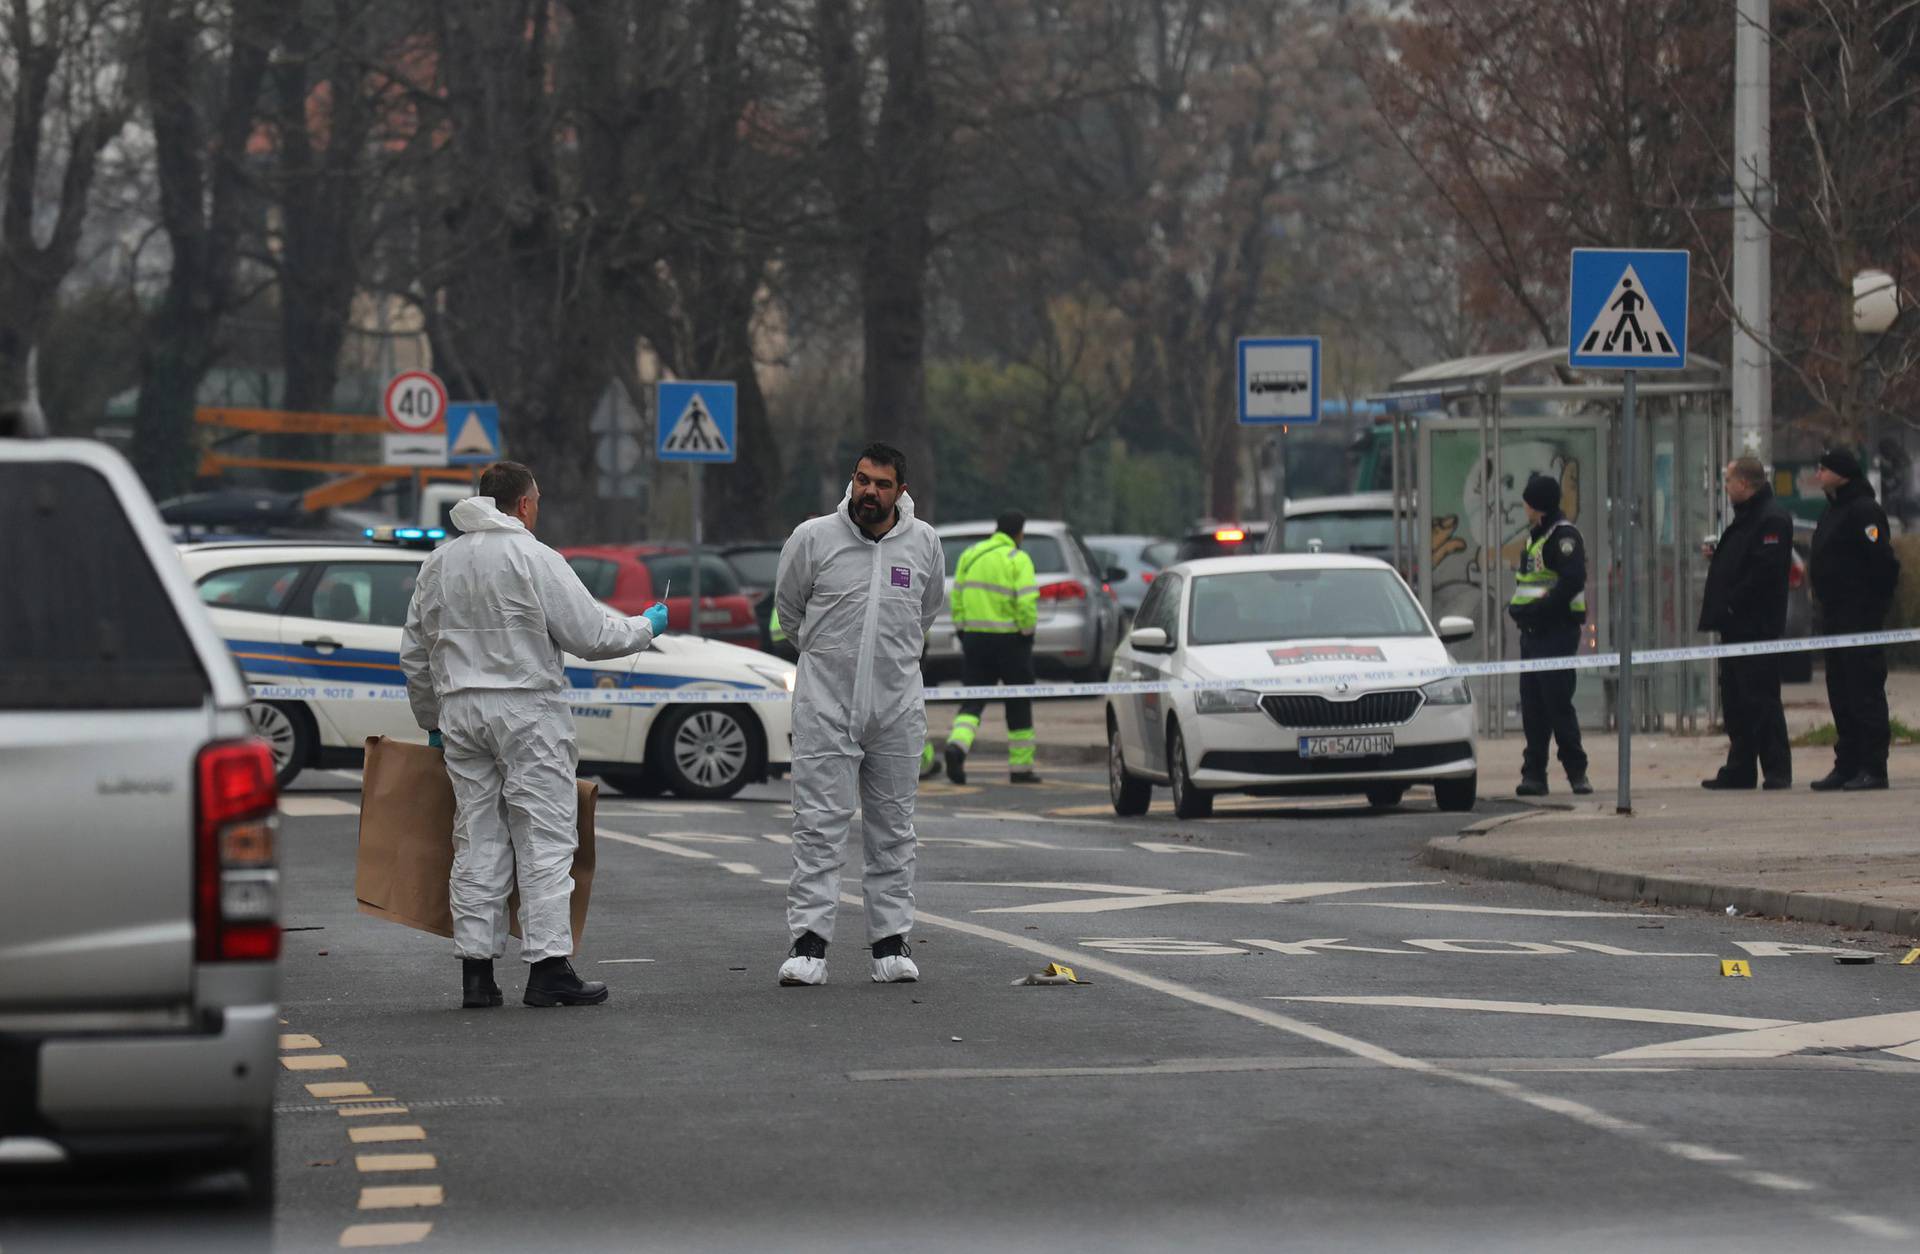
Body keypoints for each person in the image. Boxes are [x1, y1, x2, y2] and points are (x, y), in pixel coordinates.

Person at [400, 461, 669, 1009]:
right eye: (537, 500)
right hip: (526, 712)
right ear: (523, 504)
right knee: (544, 838)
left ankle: (477, 974)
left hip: (460, 714)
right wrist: (648, 625)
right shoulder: (534, 557)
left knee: (476, 837)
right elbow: (590, 635)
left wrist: (431, 720)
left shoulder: (439, 563)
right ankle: (549, 969)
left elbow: (415, 651)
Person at [773, 443, 944, 986]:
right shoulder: (814, 538)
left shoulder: (925, 544)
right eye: (863, 480)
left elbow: (926, 612)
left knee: (893, 831)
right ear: (852, 481)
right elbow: (789, 612)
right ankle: (809, 948)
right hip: (825, 709)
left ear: (901, 491)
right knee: (818, 831)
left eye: (882, 484)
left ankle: (890, 945)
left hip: (895, 711)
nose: (870, 492)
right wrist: (828, 663)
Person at [1807, 446, 1901, 791]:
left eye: (1824, 468)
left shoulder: (1864, 511)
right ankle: (1847, 763)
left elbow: (1882, 564)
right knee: (1841, 691)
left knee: (1864, 692)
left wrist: (1872, 607)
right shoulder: (1832, 511)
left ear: (1842, 472)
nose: (1818, 473)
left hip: (1858, 619)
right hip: (1833, 619)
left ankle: (1873, 767)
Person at [1697, 457, 1793, 790]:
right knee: (1736, 702)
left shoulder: (1771, 520)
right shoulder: (1746, 519)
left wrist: (1733, 603)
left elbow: (1763, 573)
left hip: (1756, 627)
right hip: (1735, 627)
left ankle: (1777, 770)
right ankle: (1740, 767)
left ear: (1744, 484)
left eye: (1728, 480)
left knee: (1761, 699)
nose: (1725, 486)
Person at [935, 510, 1042, 785]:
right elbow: (1027, 603)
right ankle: (1021, 768)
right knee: (1018, 701)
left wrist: (962, 629)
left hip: (975, 639)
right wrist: (1027, 633)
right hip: (1011, 642)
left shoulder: (971, 555)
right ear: (1019, 533)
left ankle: (957, 746)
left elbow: (956, 595)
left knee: (973, 699)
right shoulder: (1018, 559)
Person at [1508, 472, 1592, 797]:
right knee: (1532, 705)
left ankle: (1576, 772)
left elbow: (1571, 581)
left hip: (1555, 632)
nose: (1524, 507)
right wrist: (1518, 610)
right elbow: (1531, 584)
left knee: (1557, 702)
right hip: (1532, 632)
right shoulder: (1535, 537)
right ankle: (1534, 774)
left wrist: (1538, 611)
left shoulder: (1563, 536)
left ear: (1536, 505)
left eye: (1527, 502)